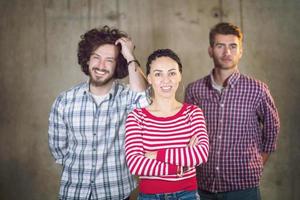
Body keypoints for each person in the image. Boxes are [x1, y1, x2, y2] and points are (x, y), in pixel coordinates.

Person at [48, 25, 149, 200]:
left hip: (117, 193)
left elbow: (144, 101)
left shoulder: (127, 97)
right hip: (74, 193)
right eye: (96, 58)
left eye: (109, 60)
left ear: (118, 65)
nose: (101, 66)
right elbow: (59, 150)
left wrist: (130, 56)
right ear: (87, 59)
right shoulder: (65, 100)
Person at [185, 22, 280, 200]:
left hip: (243, 187)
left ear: (241, 51)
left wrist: (258, 163)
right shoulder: (194, 90)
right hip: (202, 185)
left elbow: (272, 128)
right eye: (220, 46)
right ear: (210, 50)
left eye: (233, 46)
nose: (227, 52)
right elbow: (186, 133)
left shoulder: (257, 89)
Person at [125, 49, 209, 200]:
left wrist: (156, 155)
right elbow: (135, 164)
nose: (166, 80)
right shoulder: (136, 117)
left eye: (171, 73)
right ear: (149, 78)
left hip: (187, 195)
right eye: (158, 74)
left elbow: (200, 154)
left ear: (179, 76)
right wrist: (180, 166)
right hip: (149, 197)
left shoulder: (193, 113)